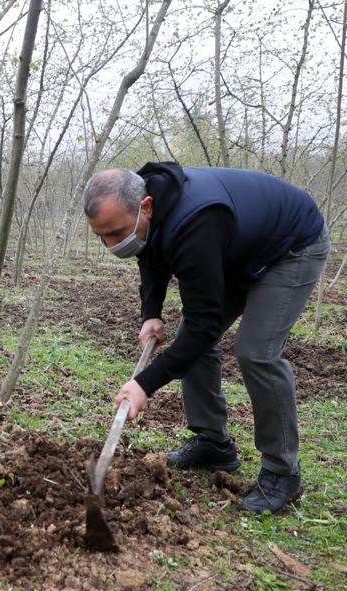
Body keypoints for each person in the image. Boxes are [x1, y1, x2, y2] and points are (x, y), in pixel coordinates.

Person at [83, 162, 329, 513]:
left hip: (289, 248)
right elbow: (150, 254)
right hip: (237, 250)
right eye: (102, 236)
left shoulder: (196, 219)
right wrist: (151, 312)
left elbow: (204, 325)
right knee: (192, 342)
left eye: (117, 233)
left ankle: (282, 472)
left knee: (256, 352)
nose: (112, 244)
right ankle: (214, 444)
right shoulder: (147, 207)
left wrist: (144, 384)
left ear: (146, 207)